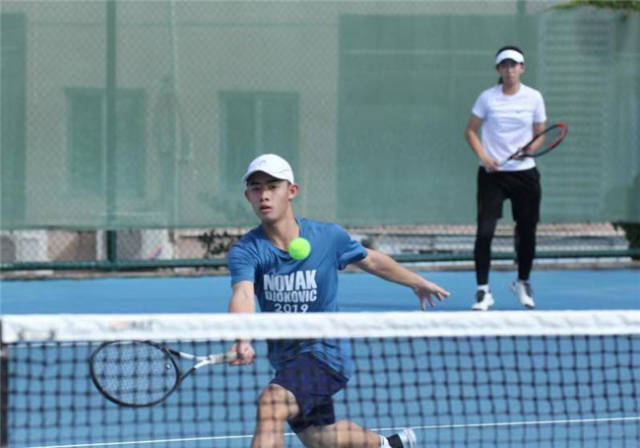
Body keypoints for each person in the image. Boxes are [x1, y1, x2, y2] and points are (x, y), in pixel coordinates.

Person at [227, 153, 451, 448]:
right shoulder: (247, 250)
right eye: (256, 188)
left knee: (272, 404)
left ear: (292, 191)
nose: (264, 195)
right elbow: (243, 293)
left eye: (272, 186)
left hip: (326, 353)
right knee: (322, 438)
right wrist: (242, 337)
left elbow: (370, 260)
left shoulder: (327, 237)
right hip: (287, 358)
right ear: (248, 196)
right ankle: (387, 445)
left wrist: (416, 282)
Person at [464, 45, 547, 311]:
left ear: (522, 68)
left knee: (527, 232)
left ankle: (523, 282)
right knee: (485, 232)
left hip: (525, 176)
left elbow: (540, 132)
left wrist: (530, 149)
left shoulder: (534, 97)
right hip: (492, 177)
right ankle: (483, 291)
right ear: (498, 69)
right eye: (505, 65)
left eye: (514, 65)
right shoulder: (487, 98)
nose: (510, 70)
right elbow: (470, 132)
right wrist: (485, 158)